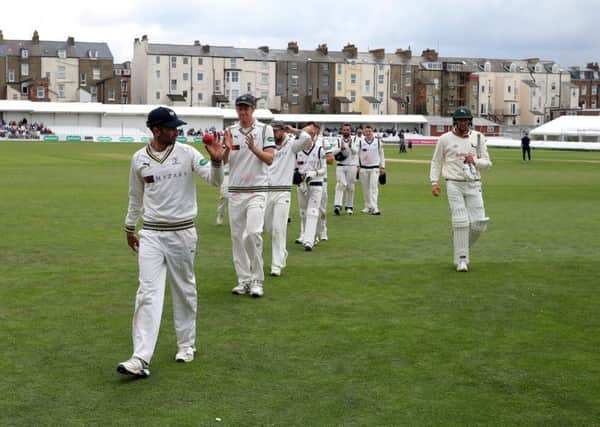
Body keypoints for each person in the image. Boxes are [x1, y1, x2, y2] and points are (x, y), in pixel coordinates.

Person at [117, 106, 224, 378]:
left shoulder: (187, 152)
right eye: (172, 127)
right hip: (151, 234)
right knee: (147, 294)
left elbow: (214, 181)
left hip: (183, 232)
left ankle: (186, 344)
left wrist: (217, 161)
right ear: (156, 130)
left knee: (184, 290)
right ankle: (140, 358)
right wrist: (130, 228)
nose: (177, 130)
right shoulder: (139, 159)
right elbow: (135, 196)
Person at [221, 94, 275, 297]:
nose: (242, 112)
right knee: (237, 238)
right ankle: (243, 280)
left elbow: (269, 159)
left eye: (246, 108)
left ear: (253, 109)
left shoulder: (264, 129)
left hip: (257, 190)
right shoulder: (230, 131)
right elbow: (224, 161)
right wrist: (225, 148)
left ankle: (257, 280)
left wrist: (254, 148)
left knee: (253, 233)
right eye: (239, 108)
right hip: (236, 191)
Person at [430, 106, 492, 272]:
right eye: (460, 120)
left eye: (466, 120)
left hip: (474, 183)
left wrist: (475, 161)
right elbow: (436, 161)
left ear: (469, 121)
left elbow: (488, 163)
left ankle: (460, 244)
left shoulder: (478, 137)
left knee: (479, 223)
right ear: (455, 121)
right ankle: (462, 260)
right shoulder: (444, 139)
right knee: (461, 221)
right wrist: (434, 182)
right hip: (454, 183)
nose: (463, 123)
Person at [264, 121, 314, 276]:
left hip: (283, 191)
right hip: (266, 191)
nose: (274, 134)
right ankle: (282, 252)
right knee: (269, 229)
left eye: (277, 131)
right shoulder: (267, 145)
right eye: (272, 131)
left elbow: (307, 139)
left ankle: (276, 265)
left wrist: (293, 130)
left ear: (283, 130)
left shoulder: (292, 144)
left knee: (279, 229)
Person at [295, 122, 326, 251]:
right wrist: (297, 178)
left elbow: (324, 168)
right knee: (303, 212)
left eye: (311, 134)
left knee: (313, 211)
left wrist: (315, 173)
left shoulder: (319, 150)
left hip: (316, 183)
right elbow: (294, 168)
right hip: (302, 185)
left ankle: (309, 240)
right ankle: (306, 234)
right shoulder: (297, 151)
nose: (309, 137)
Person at [332, 123, 359, 216]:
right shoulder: (338, 140)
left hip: (352, 166)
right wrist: (340, 148)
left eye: (348, 130)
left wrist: (351, 146)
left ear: (350, 131)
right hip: (340, 165)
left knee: (350, 187)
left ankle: (349, 207)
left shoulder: (355, 139)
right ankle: (337, 206)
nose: (346, 131)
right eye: (344, 130)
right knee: (341, 184)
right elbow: (333, 152)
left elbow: (356, 152)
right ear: (342, 130)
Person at [358, 125, 385, 215]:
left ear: (372, 132)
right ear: (364, 132)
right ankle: (367, 206)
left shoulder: (378, 142)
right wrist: (357, 166)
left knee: (373, 188)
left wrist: (382, 167)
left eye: (370, 131)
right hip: (364, 168)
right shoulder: (361, 142)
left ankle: (374, 207)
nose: (368, 133)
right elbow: (357, 155)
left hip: (374, 168)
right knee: (365, 188)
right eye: (367, 132)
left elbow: (382, 155)